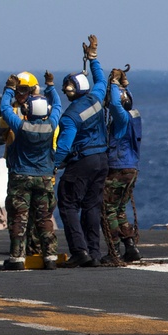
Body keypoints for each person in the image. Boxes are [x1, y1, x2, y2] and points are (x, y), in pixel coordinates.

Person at [54, 35, 109, 268]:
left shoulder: (69, 117)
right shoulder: (97, 98)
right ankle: (94, 254)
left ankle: (79, 251)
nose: (66, 93)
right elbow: (101, 80)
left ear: (72, 91)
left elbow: (64, 147)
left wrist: (53, 165)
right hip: (102, 160)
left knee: (67, 204)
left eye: (67, 89)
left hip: (82, 162)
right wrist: (93, 58)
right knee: (92, 206)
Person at [0, 71, 62, 270]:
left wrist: (9, 90)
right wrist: (50, 86)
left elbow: (4, 108)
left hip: (20, 177)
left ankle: (17, 258)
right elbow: (58, 105)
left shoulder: (21, 126)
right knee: (44, 218)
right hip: (44, 177)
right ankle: (50, 257)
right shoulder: (51, 125)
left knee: (19, 218)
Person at [102, 66, 143, 262]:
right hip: (132, 168)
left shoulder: (121, 118)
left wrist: (113, 84)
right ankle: (131, 247)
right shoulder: (135, 115)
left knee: (108, 209)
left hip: (117, 168)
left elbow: (117, 106)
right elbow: (125, 102)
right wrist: (124, 85)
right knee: (119, 210)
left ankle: (114, 251)